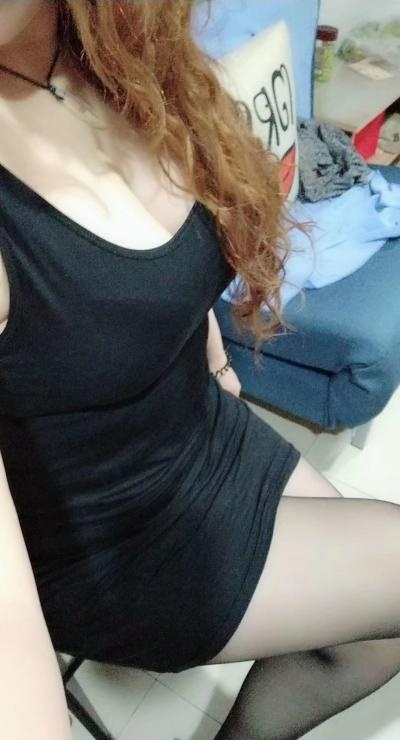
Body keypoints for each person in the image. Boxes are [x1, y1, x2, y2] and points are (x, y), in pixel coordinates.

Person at [0, 2, 399, 739]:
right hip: (111, 536)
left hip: (195, 427)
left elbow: (146, 273)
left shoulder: (114, 49)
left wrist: (212, 357)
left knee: (368, 640)